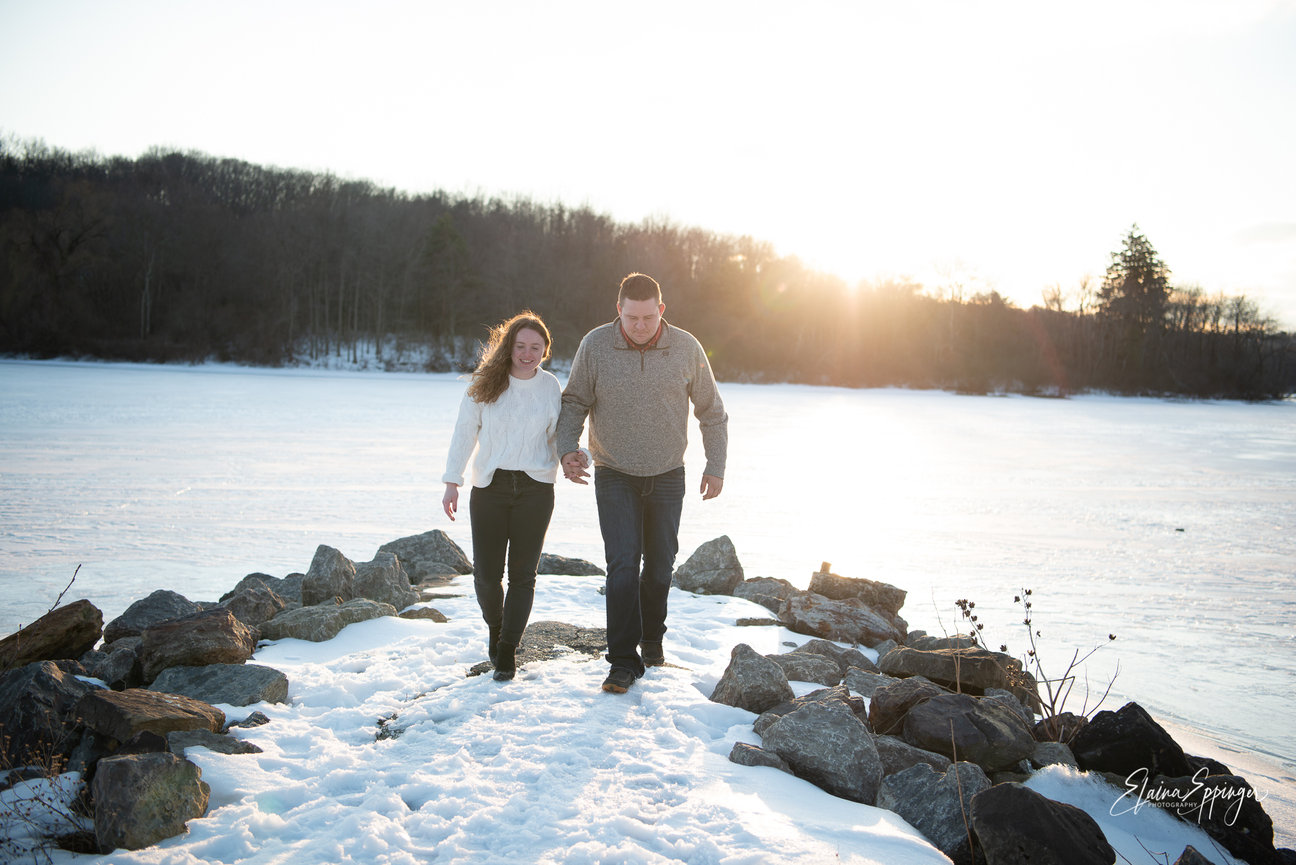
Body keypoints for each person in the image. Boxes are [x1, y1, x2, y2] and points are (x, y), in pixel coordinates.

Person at [557, 272, 728, 694]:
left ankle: (652, 639)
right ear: (619, 310)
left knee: (659, 567)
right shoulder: (595, 345)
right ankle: (622, 662)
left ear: (661, 310)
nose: (639, 325)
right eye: (631, 317)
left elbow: (711, 411)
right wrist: (567, 449)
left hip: (669, 473)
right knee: (621, 564)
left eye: (648, 317)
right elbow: (575, 399)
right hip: (613, 471)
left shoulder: (687, 347)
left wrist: (716, 464)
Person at [442, 311, 562, 681]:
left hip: (535, 488)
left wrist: (575, 460)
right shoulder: (485, 382)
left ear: (545, 351)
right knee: (486, 575)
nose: (527, 353)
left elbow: (561, 435)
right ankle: (496, 628)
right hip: (489, 487)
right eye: (520, 345)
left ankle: (508, 649)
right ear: (509, 346)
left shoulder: (551, 387)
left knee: (523, 576)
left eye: (535, 348)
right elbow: (465, 432)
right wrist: (452, 481)